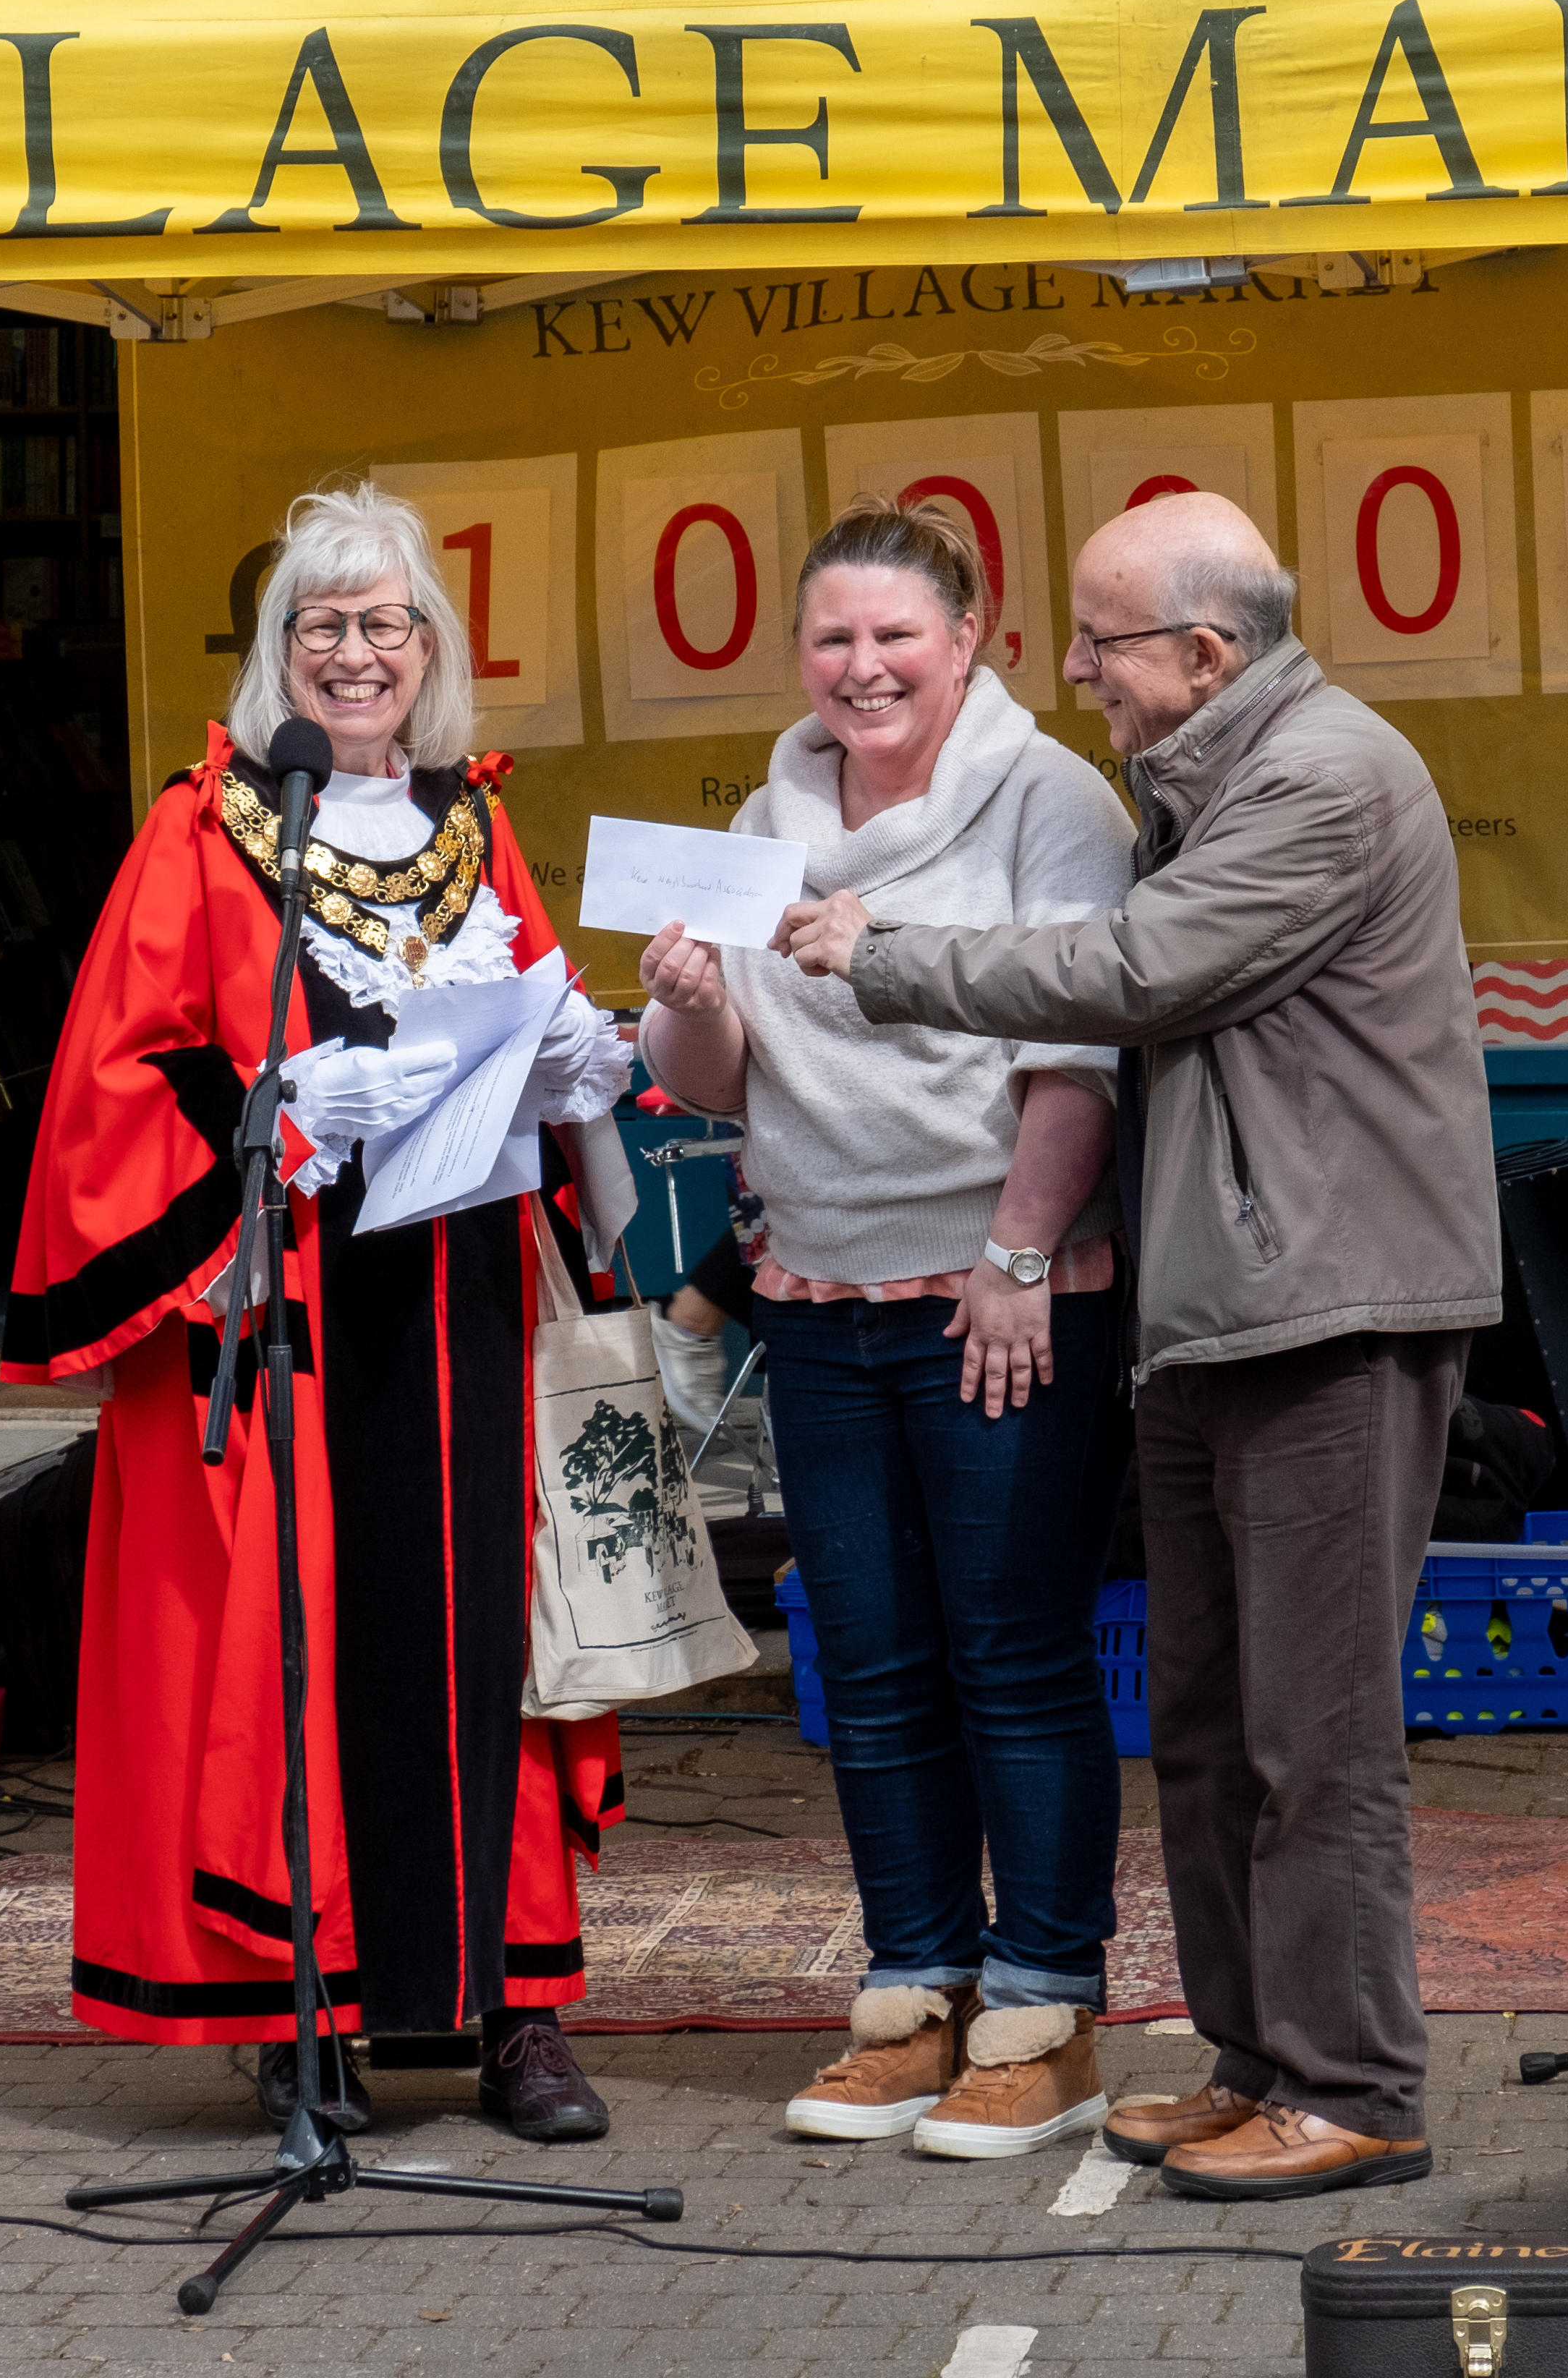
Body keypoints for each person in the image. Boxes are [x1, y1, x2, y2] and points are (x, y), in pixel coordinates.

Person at [777, 490, 1498, 2204]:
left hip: (1330, 1302)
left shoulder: (1321, 772)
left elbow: (1135, 967)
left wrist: (888, 954)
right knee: (1204, 1715)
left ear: (1206, 650)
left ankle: (1357, 2083)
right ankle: (1257, 2059)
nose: (1078, 666)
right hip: (1222, 1310)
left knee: (1310, 1734)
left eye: (1102, 639)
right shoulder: (1216, 769)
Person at [2, 482, 636, 2143]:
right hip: (290, 1305)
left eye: (384, 623)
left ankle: (516, 2010)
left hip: (462, 1295)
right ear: (276, 652)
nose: (355, 652)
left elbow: (543, 1015)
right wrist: (278, 1114)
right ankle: (308, 2013)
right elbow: (110, 1084)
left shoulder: (477, 823)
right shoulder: (200, 826)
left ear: (429, 648)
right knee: (305, 1653)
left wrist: (577, 1069)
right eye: (321, 624)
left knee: (489, 1645)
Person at [636, 498, 1135, 2162]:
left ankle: (1049, 2007)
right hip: (813, 1296)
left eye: (894, 636)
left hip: (996, 1290)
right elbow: (715, 1087)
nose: (861, 667)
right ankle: (914, 1994)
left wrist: (1015, 1249)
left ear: (970, 637)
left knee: (1013, 1647)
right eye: (833, 638)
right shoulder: (766, 815)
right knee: (869, 1659)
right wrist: (695, 1003)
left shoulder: (1052, 800)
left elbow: (1080, 1047)